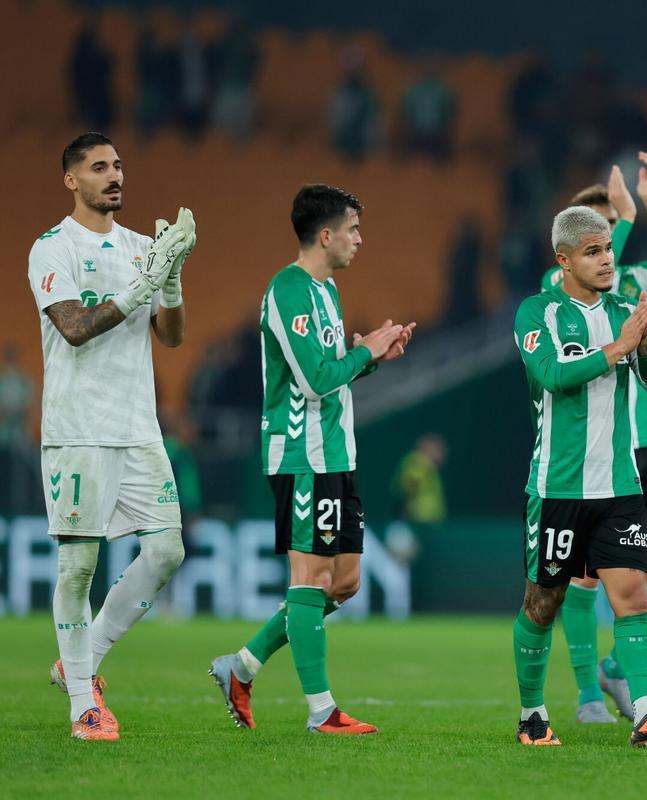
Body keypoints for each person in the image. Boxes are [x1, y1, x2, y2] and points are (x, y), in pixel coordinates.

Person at [208, 184, 415, 734]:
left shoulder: (325, 292)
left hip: (336, 453)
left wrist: (373, 357)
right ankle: (321, 710)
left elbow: (333, 367)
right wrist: (363, 352)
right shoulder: (289, 290)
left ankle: (242, 665)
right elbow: (316, 380)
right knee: (312, 575)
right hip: (303, 453)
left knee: (344, 581)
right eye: (352, 229)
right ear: (326, 235)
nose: (359, 239)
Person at [511, 205, 647, 748]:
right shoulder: (537, 312)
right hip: (556, 488)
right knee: (542, 604)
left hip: (619, 486)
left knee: (633, 599)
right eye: (593, 252)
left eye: (609, 250)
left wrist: (645, 339)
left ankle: (643, 714)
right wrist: (618, 347)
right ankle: (531, 713)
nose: (606, 260)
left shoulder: (624, 310)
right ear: (563, 260)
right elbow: (552, 374)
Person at [32, 132, 195, 740]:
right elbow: (73, 328)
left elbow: (171, 337)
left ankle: (83, 661)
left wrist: (170, 278)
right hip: (78, 428)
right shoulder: (51, 248)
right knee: (78, 568)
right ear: (71, 179)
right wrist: (139, 286)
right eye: (99, 167)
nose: (114, 175)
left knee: (167, 551)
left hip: (137, 428)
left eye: (119, 165)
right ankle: (84, 708)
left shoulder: (139, 246)